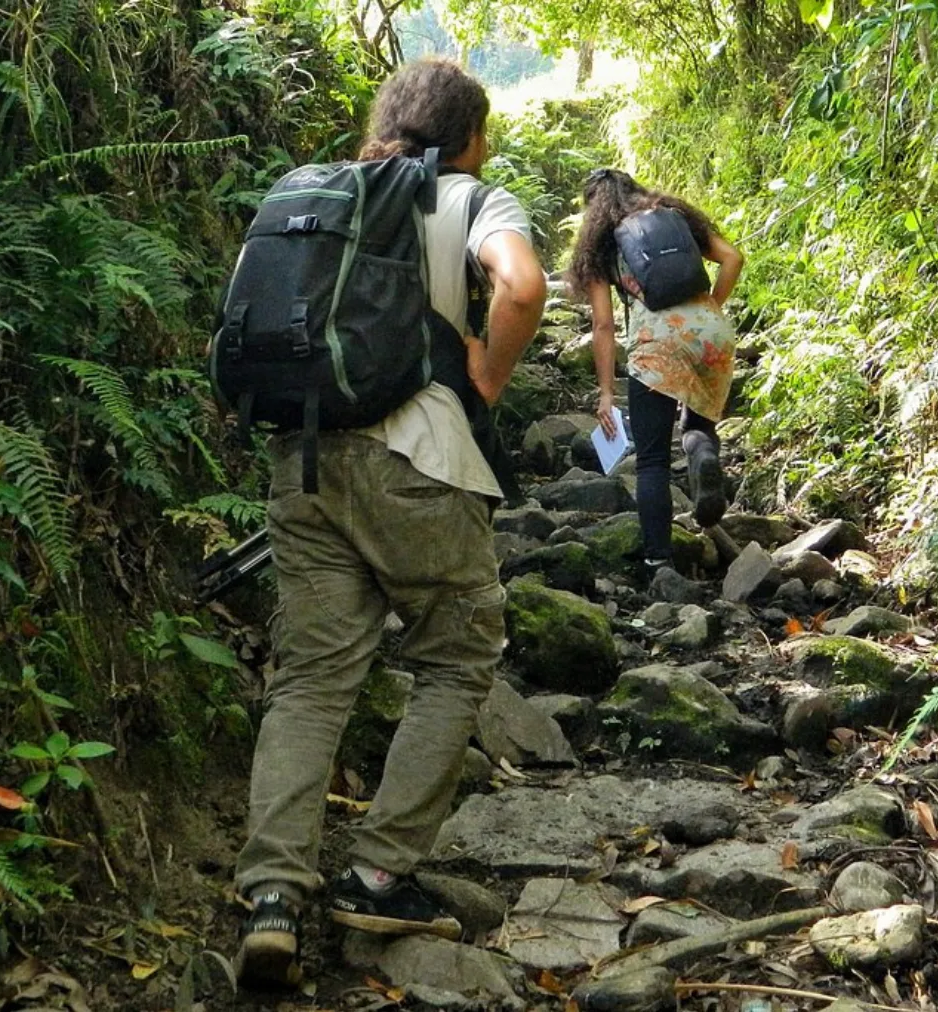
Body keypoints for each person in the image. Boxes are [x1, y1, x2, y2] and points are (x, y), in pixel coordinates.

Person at [231, 58, 546, 988]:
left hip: (304, 462)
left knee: (313, 682)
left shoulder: (320, 193)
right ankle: (375, 871)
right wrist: (486, 374)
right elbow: (522, 287)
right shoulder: (470, 198)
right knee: (454, 658)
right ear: (470, 134)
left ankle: (274, 899)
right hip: (420, 463)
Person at [567, 168, 745, 571]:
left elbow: (603, 325)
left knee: (651, 461)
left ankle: (657, 559)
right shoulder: (673, 214)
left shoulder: (601, 247)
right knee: (699, 425)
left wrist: (607, 393)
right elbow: (733, 258)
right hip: (712, 332)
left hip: (657, 346)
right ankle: (702, 455)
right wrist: (712, 307)